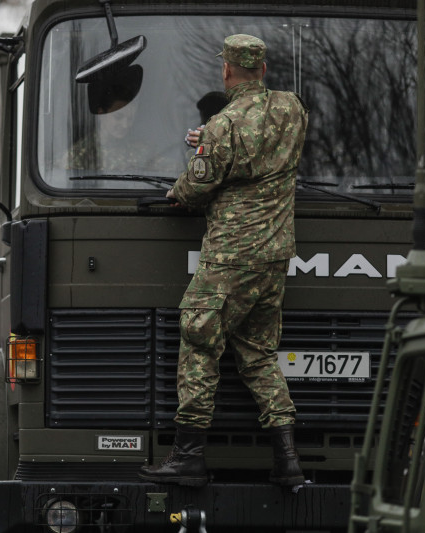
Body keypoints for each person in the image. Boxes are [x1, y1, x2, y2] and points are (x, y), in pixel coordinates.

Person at [138, 34, 309, 487]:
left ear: (227, 71)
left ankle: (188, 457)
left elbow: (195, 187)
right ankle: (288, 461)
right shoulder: (292, 109)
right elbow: (262, 148)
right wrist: (211, 142)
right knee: (258, 354)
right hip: (275, 254)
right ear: (264, 70)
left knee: (198, 339)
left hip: (231, 255)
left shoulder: (223, 125)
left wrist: (186, 175)